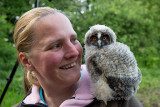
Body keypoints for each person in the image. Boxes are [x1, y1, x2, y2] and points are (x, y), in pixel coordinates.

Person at [12, 7, 143, 107]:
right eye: (56, 45)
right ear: (27, 61)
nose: (74, 52)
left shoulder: (116, 100)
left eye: (73, 40)